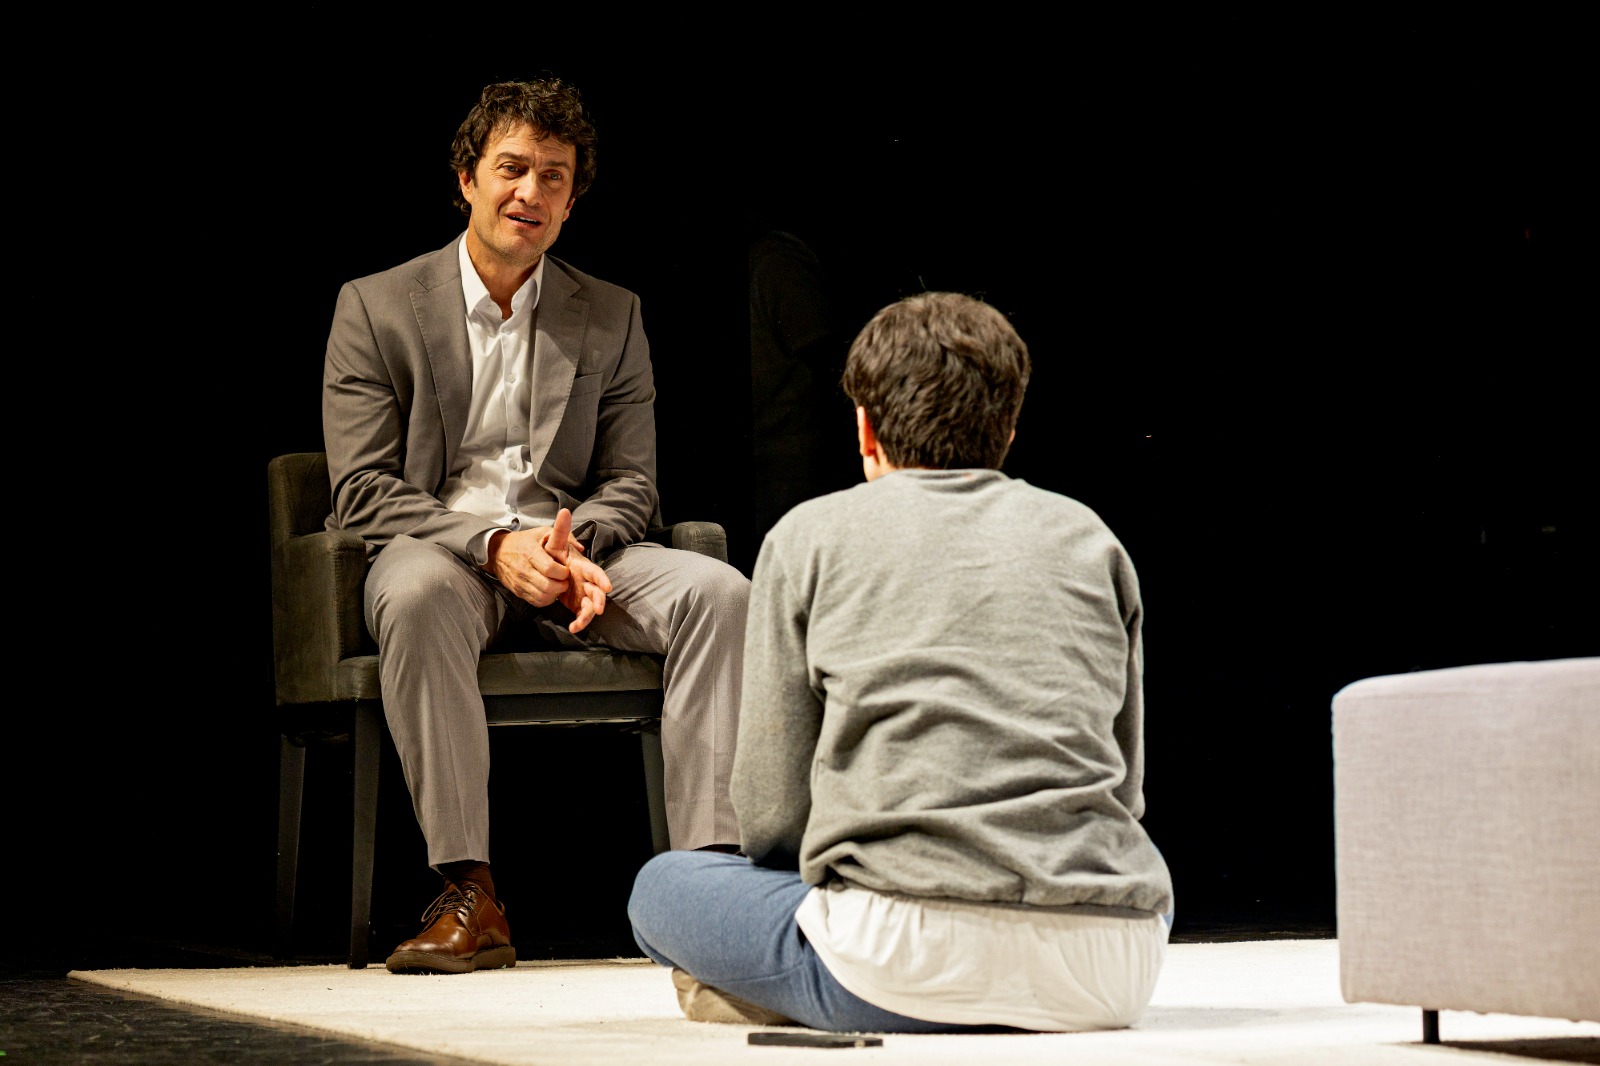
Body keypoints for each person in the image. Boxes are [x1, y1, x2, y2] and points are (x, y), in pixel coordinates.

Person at [628, 291, 1174, 1032]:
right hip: (1111, 966)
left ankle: (811, 993)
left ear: (864, 427)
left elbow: (771, 817)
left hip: (903, 959)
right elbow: (1125, 788)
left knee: (664, 886)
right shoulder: (1090, 539)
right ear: (1010, 426)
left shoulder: (810, 537)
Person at [322, 76, 750, 975]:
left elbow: (633, 480)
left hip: (574, 555)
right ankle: (469, 892)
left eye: (554, 177)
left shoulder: (613, 312)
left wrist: (571, 548)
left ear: (572, 199)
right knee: (413, 595)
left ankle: (709, 891)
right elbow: (362, 489)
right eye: (512, 169)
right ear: (467, 180)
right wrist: (494, 547)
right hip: (444, 555)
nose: (531, 192)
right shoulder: (376, 305)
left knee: (720, 593)